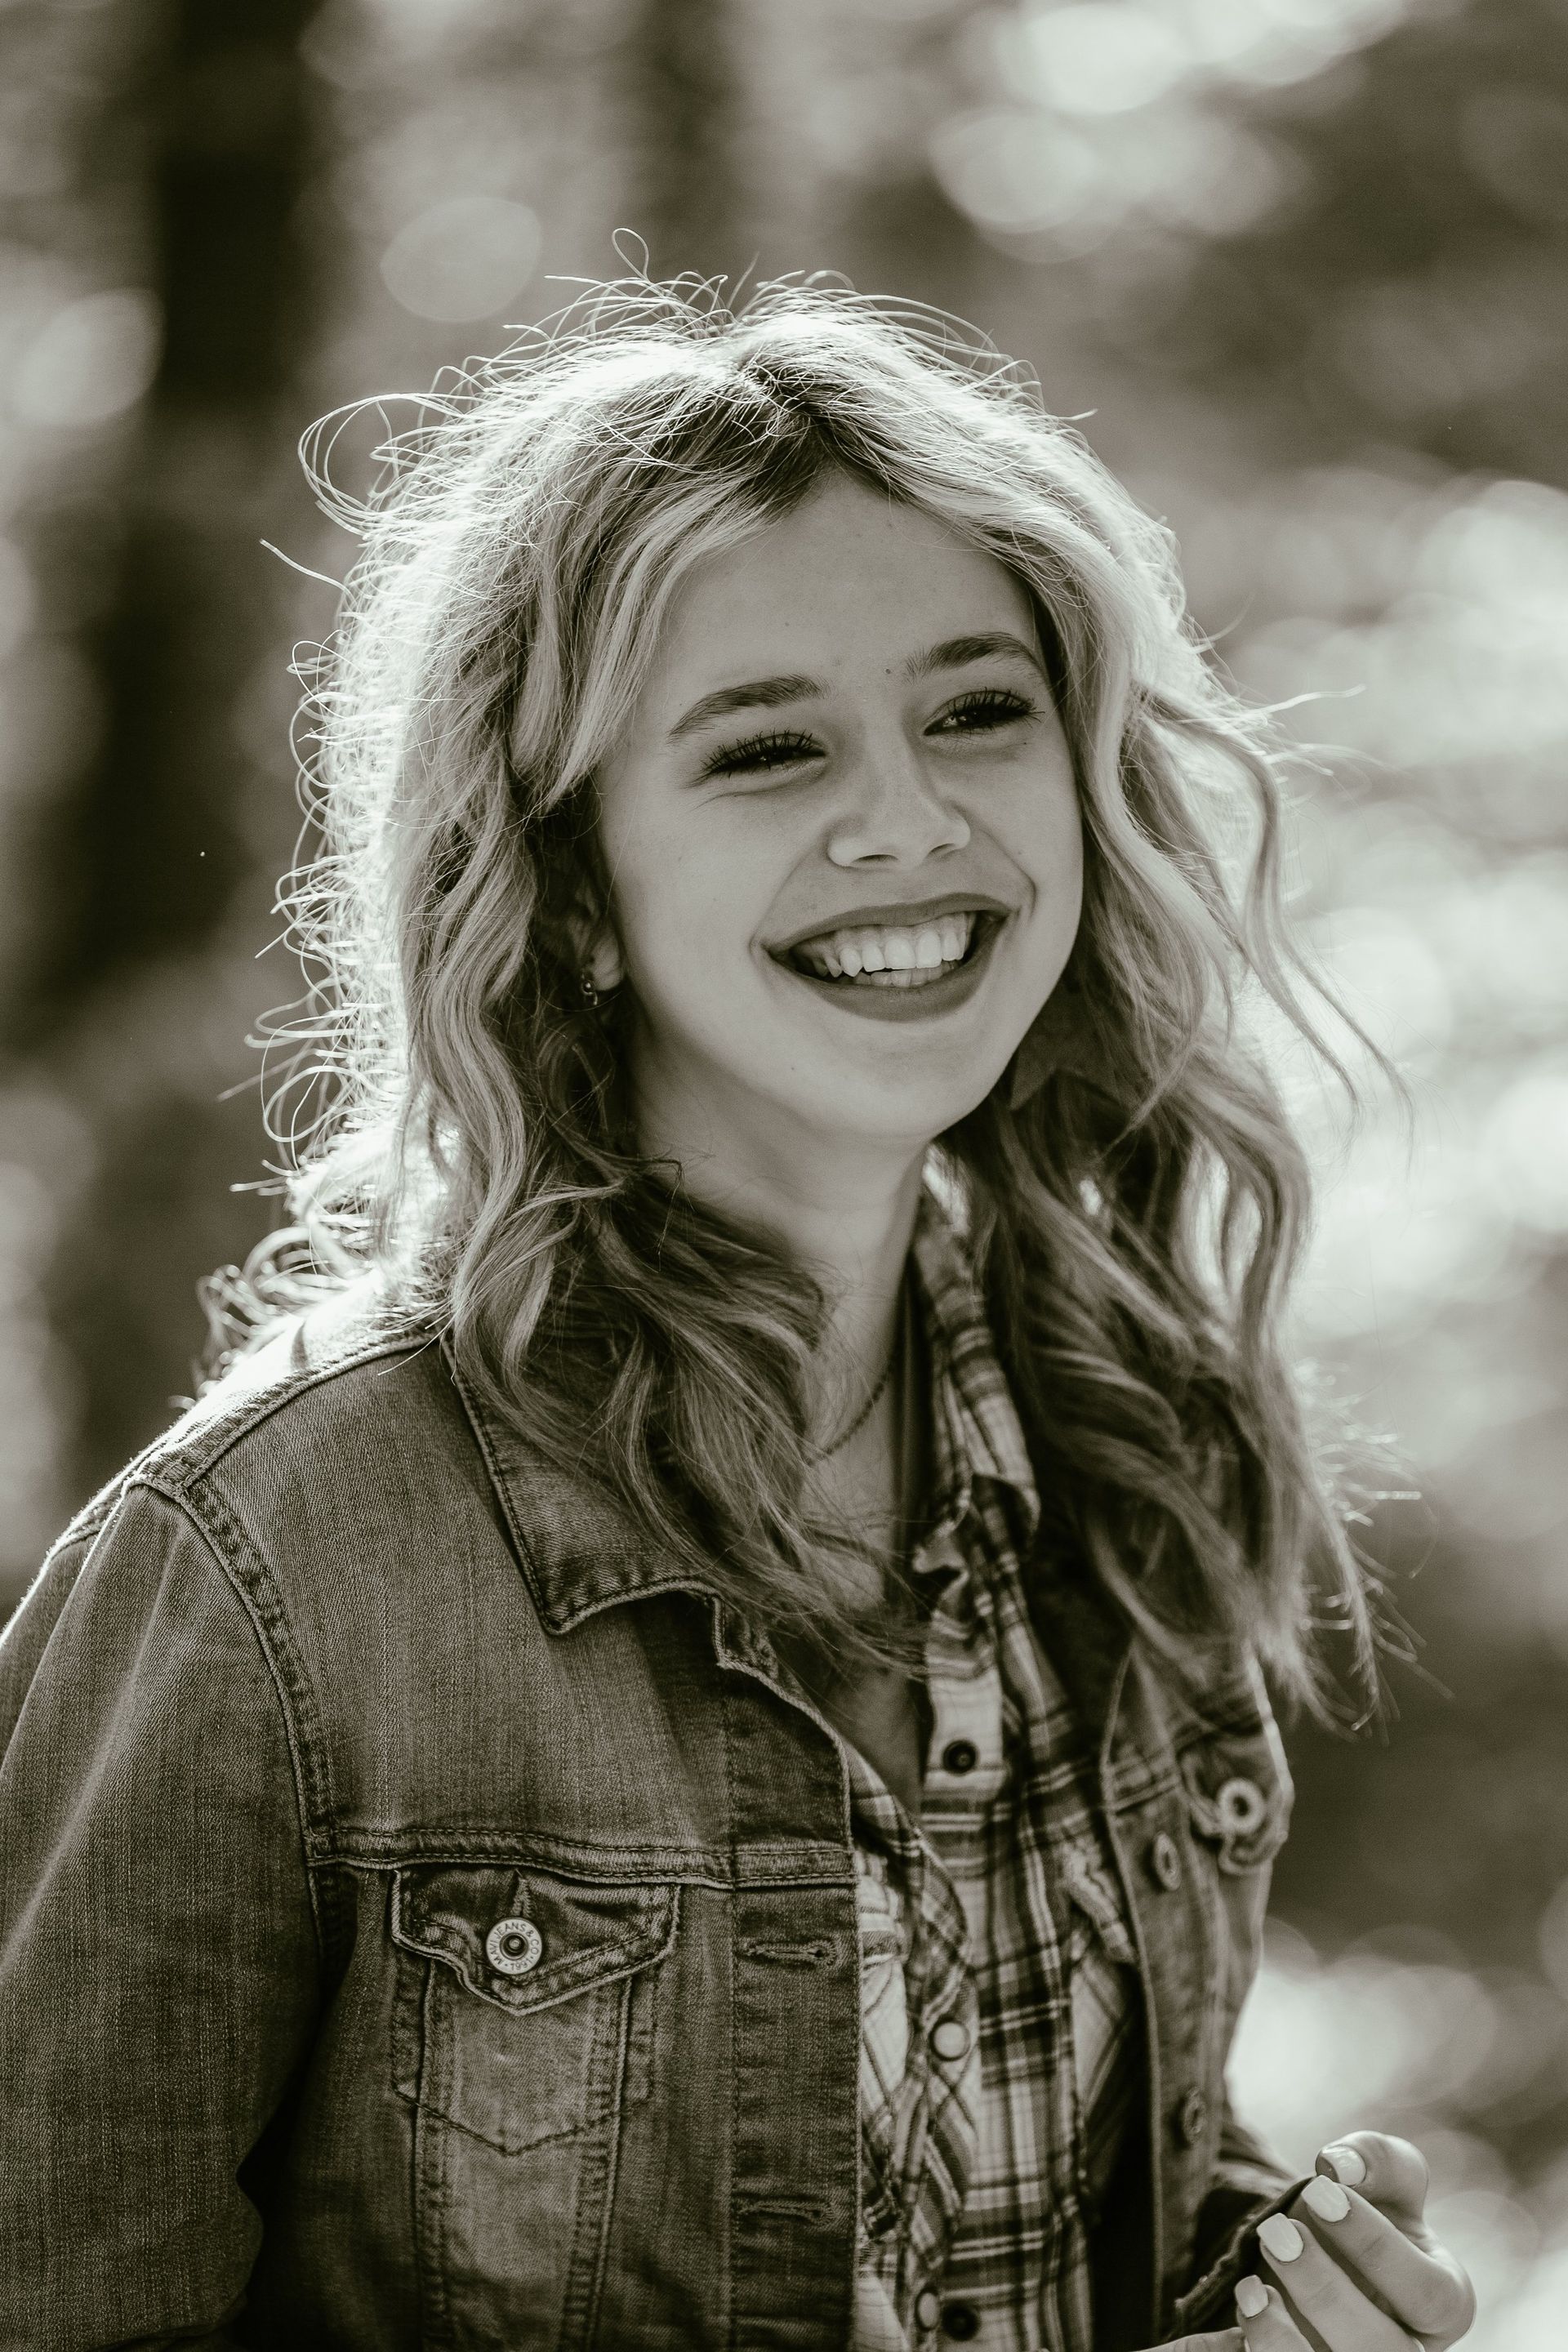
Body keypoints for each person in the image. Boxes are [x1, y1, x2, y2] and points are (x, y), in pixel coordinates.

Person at [0, 278, 1474, 2352]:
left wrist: (1286, 2294)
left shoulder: (1132, 1446)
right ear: (572, 888)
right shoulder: (273, 1563)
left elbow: (1014, 2190)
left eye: (977, 709)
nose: (909, 823)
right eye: (767, 748)